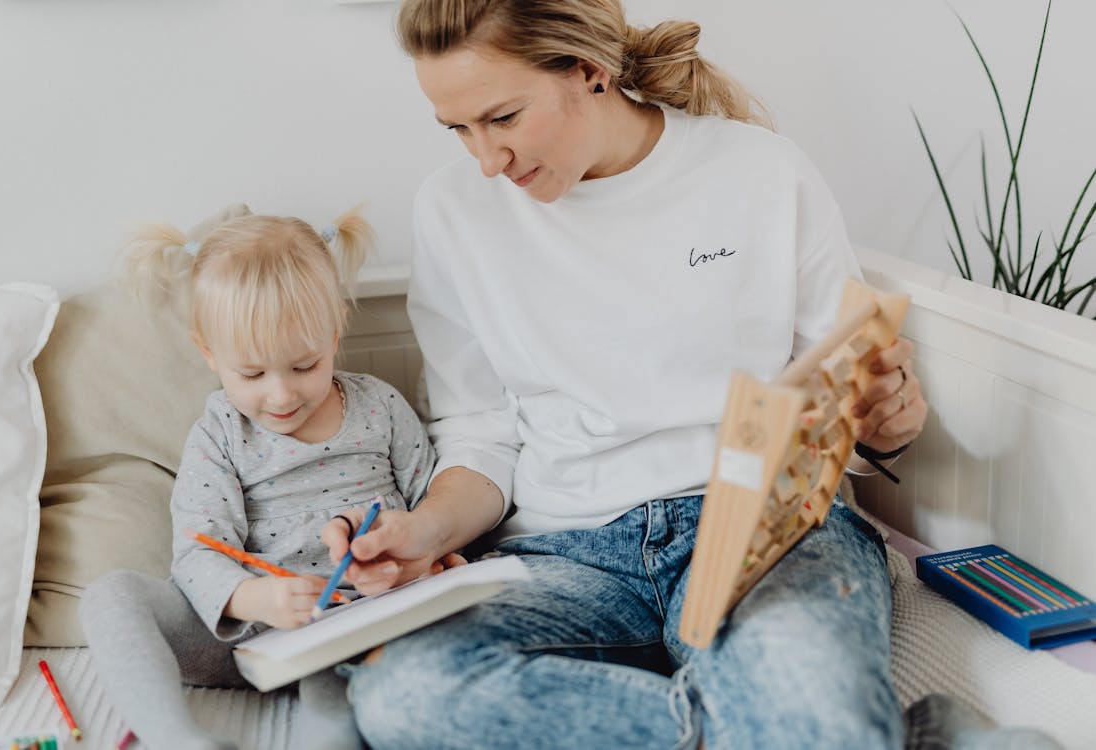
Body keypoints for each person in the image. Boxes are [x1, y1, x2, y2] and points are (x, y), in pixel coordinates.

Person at [326, 3, 1060, 749]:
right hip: (566, 553)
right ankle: (891, 737)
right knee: (403, 692)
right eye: (457, 128)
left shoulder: (760, 171)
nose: (486, 159)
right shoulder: (452, 212)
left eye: (504, 118)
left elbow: (848, 397)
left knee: (802, 690)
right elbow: (478, 434)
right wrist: (423, 529)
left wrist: (886, 423)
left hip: (770, 537)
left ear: (589, 70)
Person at [80, 212, 453, 750]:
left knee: (340, 707)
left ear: (335, 331)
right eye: (252, 375)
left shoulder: (380, 408)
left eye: (305, 365)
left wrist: (437, 559)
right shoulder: (221, 434)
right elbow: (197, 550)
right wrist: (254, 598)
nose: (281, 397)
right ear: (209, 353)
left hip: (349, 623)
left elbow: (431, 509)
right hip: (239, 626)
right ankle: (176, 739)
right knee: (110, 596)